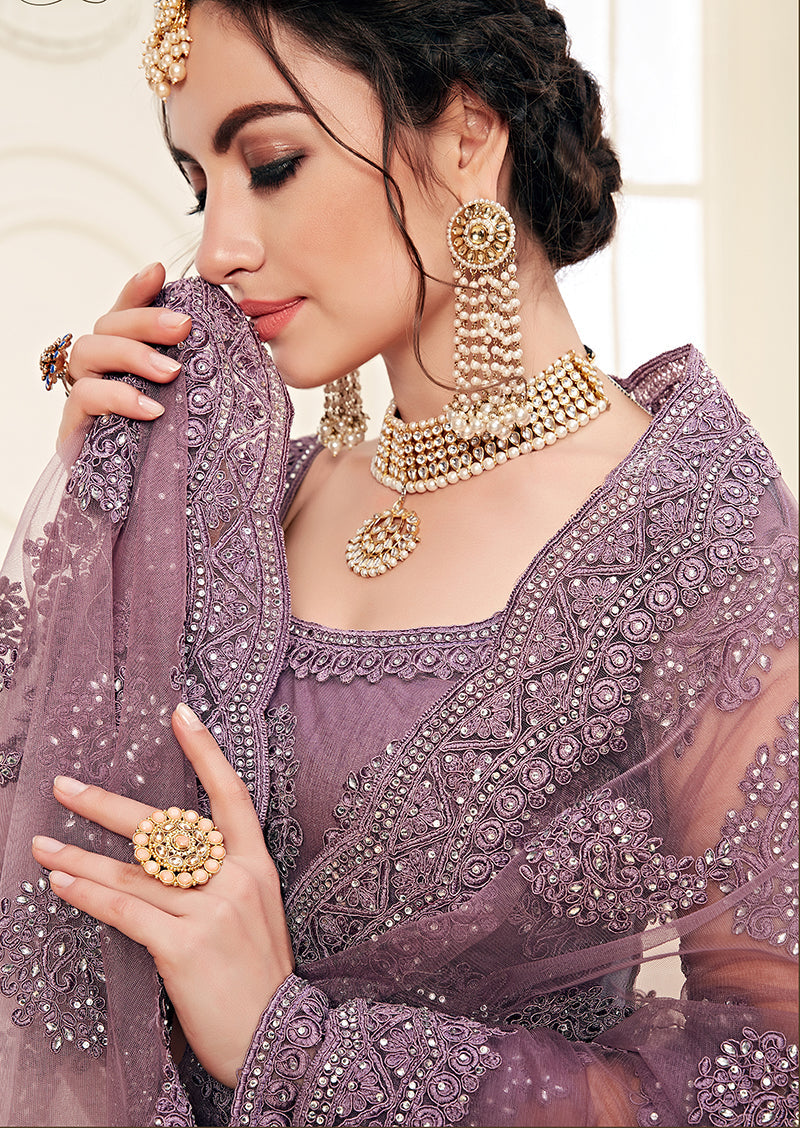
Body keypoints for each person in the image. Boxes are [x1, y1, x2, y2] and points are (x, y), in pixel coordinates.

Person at [0, 1, 796, 1125]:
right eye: (198, 185)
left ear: (467, 137)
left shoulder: (694, 526)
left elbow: (766, 1071)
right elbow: (51, 897)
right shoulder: (247, 499)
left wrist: (290, 1047)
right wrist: (101, 528)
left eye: (270, 164)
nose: (217, 249)